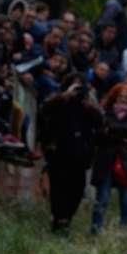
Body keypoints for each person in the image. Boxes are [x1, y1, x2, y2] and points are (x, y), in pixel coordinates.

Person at [38, 73, 104, 234]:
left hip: (80, 154)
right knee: (58, 189)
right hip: (59, 152)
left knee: (77, 190)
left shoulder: (88, 104)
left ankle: (66, 219)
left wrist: (89, 103)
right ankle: (60, 221)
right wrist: (65, 96)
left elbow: (100, 121)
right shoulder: (60, 101)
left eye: (80, 86)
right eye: (74, 85)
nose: (77, 89)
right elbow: (44, 110)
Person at [91, 83, 127, 232]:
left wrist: (111, 131)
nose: (123, 100)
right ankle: (96, 228)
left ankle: (125, 230)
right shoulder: (104, 112)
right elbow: (100, 134)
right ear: (114, 96)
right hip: (106, 160)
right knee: (103, 198)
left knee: (126, 200)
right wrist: (121, 135)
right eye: (121, 96)